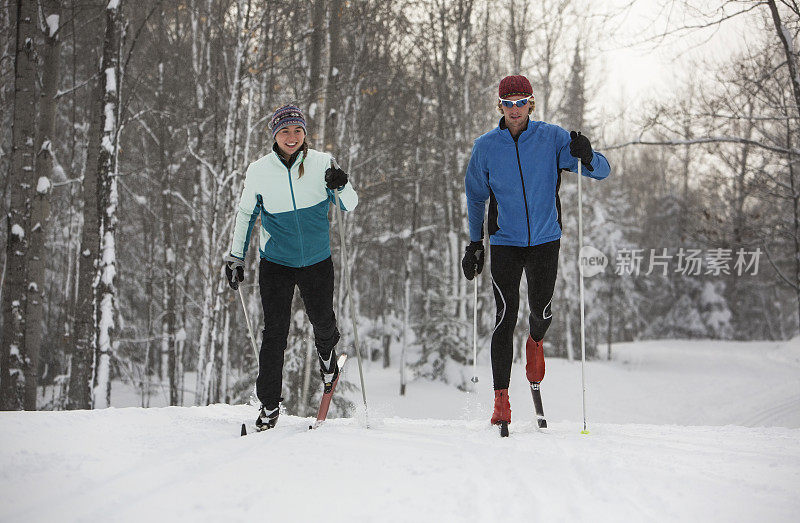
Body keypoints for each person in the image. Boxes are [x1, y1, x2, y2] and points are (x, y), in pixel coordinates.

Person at [462, 75, 611, 427]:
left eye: (521, 102)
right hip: (505, 243)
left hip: (545, 241)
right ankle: (501, 400)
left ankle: (536, 341)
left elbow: (602, 172)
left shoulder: (552, 138)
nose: (515, 110)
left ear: (531, 102)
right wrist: (475, 243)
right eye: (508, 103)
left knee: (541, 310)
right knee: (503, 317)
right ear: (500, 106)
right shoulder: (486, 146)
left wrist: (588, 155)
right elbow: (476, 197)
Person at [223, 103, 358, 430]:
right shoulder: (258, 171)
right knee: (274, 335)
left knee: (323, 322)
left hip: (316, 261)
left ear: (304, 133)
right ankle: (269, 406)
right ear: (274, 134)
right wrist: (235, 257)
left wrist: (341, 184)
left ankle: (328, 362)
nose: (292, 136)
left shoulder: (323, 163)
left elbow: (349, 204)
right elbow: (245, 215)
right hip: (277, 264)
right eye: (285, 131)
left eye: (297, 130)